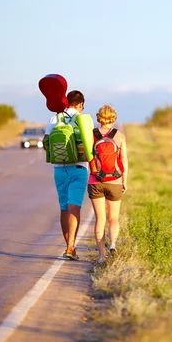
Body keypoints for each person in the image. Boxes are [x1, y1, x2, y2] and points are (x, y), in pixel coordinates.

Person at [44, 90, 92, 260]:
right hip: (78, 169)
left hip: (59, 169)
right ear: (80, 104)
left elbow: (46, 143)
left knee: (64, 208)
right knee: (75, 207)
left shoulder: (54, 119)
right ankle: (71, 247)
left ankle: (68, 247)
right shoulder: (84, 120)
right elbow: (89, 146)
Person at [87, 104, 128, 265]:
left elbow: (87, 157)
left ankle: (101, 257)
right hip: (115, 181)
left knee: (100, 219)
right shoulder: (120, 136)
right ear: (114, 118)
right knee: (114, 218)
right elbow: (124, 160)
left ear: (99, 118)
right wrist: (124, 181)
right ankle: (113, 244)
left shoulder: (91, 135)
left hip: (95, 181)